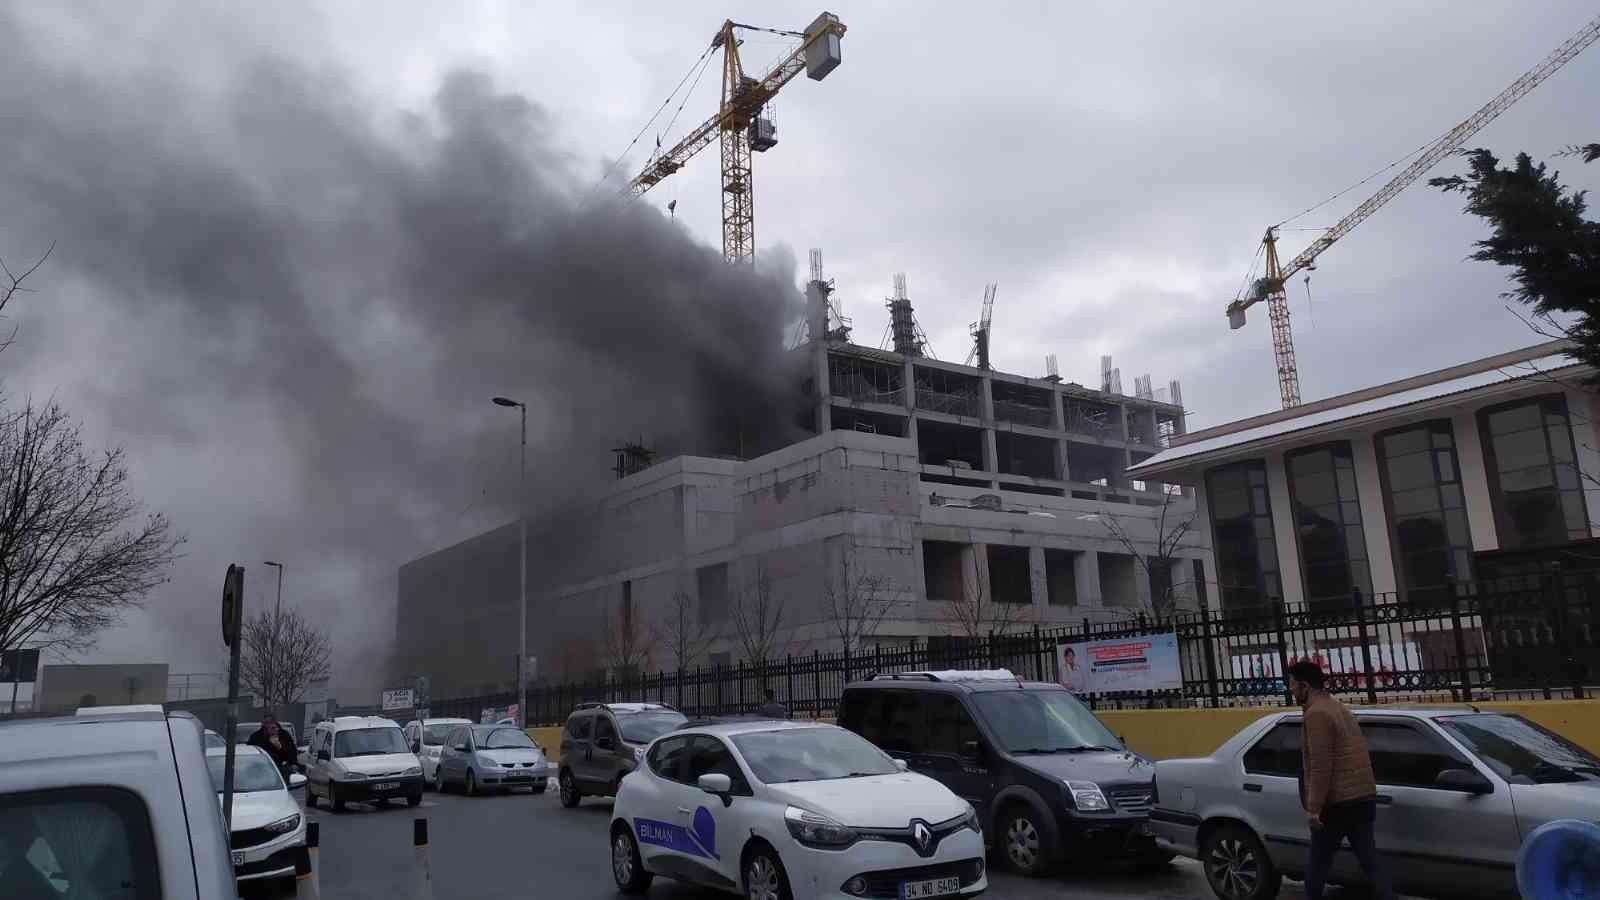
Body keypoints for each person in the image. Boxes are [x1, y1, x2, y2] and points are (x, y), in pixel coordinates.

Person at [1289, 660, 1392, 900]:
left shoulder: (1316, 714)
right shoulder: (1336, 706)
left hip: (1337, 804)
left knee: (1317, 865)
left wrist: (1314, 808)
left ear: (1305, 686)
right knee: (1371, 862)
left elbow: (1321, 765)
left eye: (1292, 685)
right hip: (1362, 797)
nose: (1291, 690)